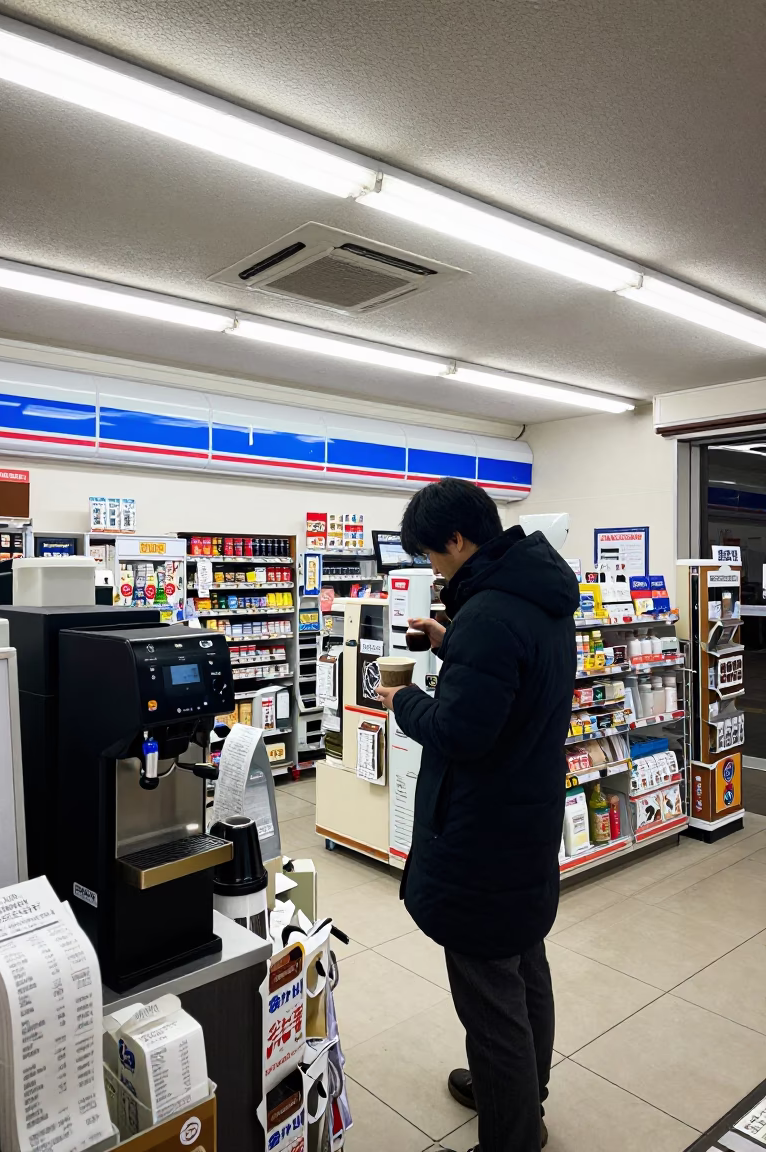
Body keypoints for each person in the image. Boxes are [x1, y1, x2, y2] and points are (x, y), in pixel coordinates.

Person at [375, 478, 579, 1152]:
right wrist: (451, 645)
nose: (433, 568)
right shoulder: (537, 598)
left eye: (433, 555)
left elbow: (464, 732)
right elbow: (509, 686)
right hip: (526, 817)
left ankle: (512, 1134)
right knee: (523, 965)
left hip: (482, 832)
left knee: (490, 999)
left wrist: (401, 700)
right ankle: (524, 1093)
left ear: (458, 541)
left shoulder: (491, 614)